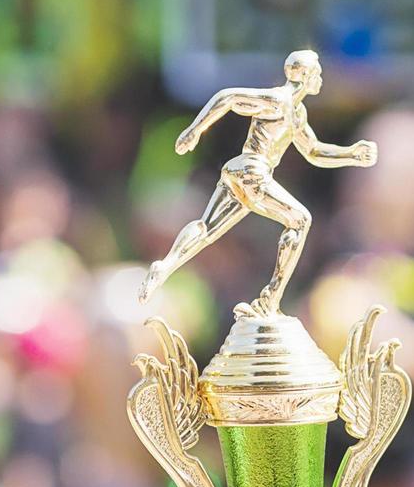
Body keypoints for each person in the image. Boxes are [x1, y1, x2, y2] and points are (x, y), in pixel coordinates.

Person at [138, 49, 377, 318]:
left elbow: (314, 152)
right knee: (300, 220)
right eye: (318, 73)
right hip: (253, 171)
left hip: (239, 172)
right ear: (306, 76)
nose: (321, 79)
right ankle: (270, 299)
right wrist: (194, 131)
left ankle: (164, 267)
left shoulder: (297, 114)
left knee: (207, 228)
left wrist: (352, 154)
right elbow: (228, 97)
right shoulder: (278, 101)